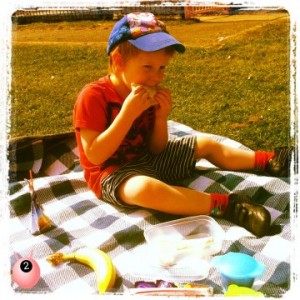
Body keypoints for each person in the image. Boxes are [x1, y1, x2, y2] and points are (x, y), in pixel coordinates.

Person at [73, 12, 291, 237]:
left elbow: (157, 149)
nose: (157, 77)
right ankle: (227, 205)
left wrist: (160, 117)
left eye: (162, 68)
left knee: (204, 143)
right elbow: (95, 156)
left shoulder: (145, 94)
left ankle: (270, 161)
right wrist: (127, 114)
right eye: (148, 67)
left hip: (148, 159)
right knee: (146, 189)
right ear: (119, 61)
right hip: (113, 174)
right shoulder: (93, 96)